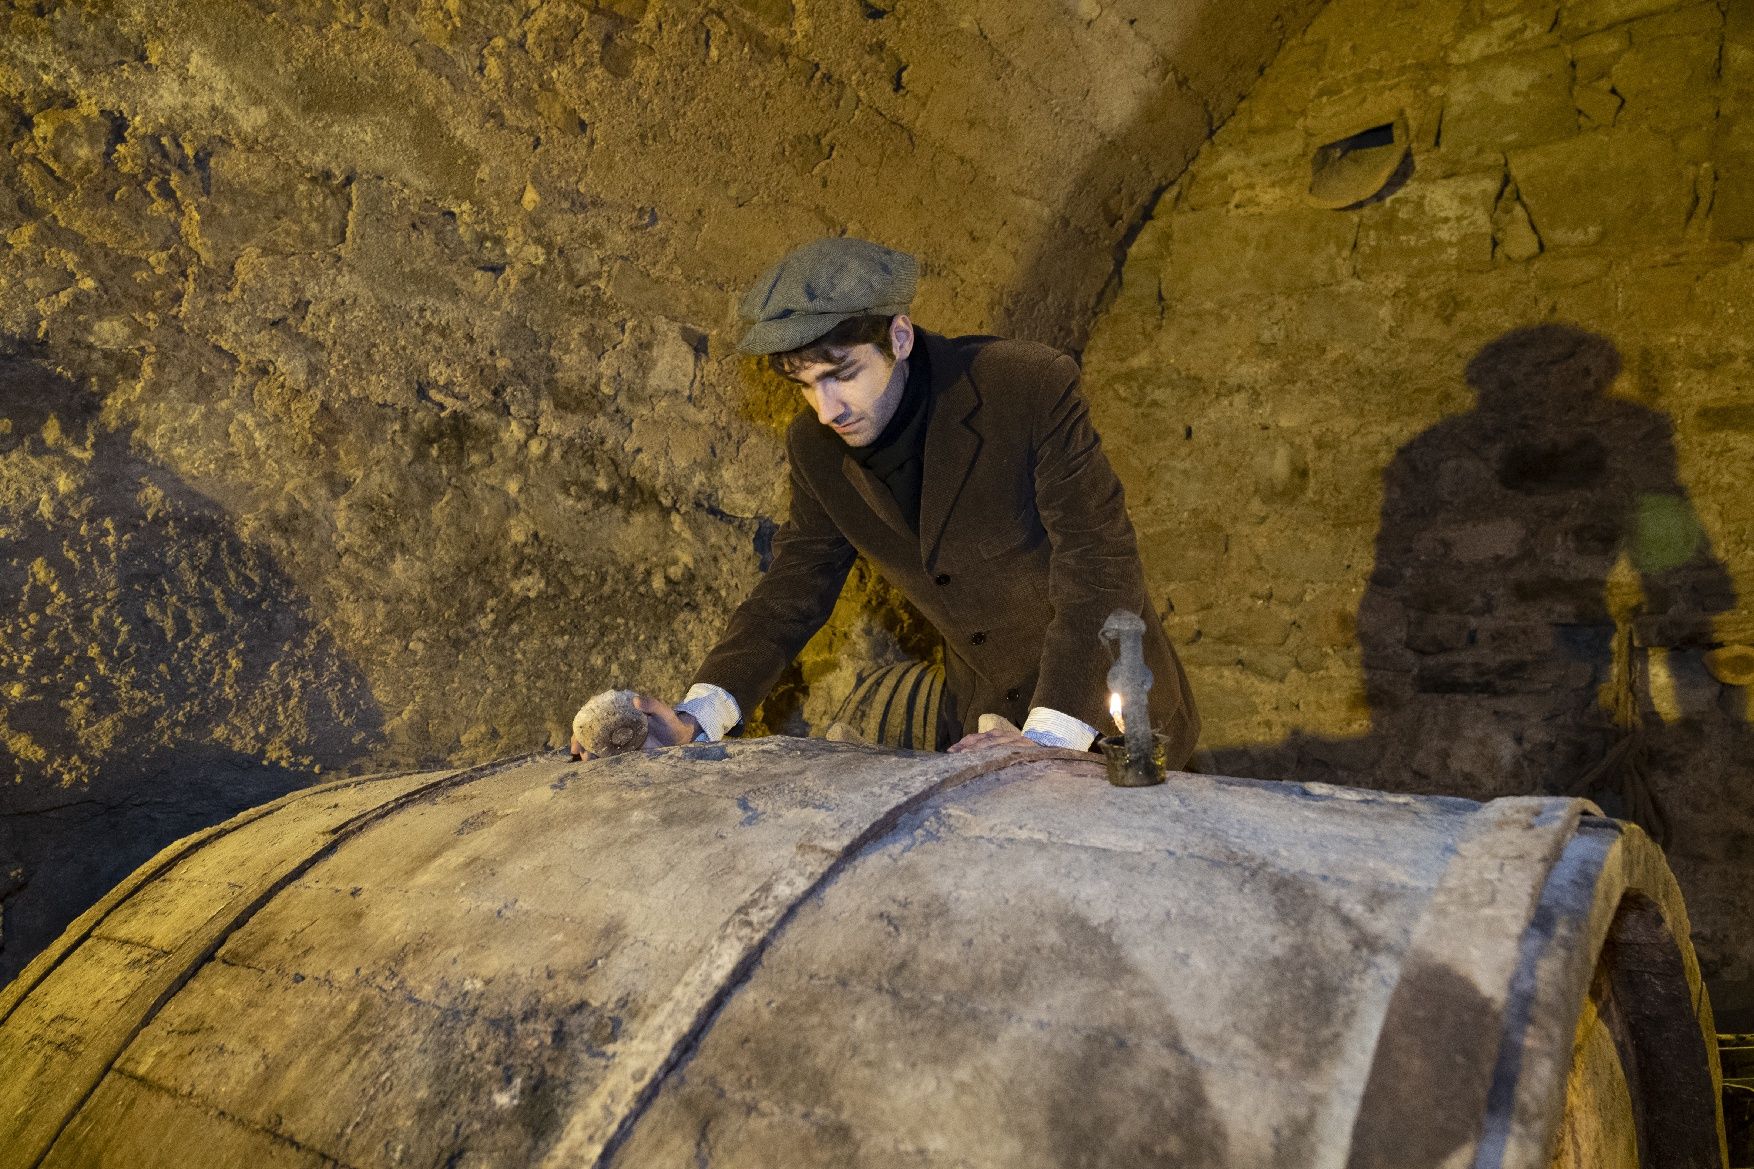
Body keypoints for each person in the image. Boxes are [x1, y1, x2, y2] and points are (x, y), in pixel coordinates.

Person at [572, 237, 1197, 761]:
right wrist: (697, 715)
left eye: (842, 375)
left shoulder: (1025, 387)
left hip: (1106, 713)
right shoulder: (816, 447)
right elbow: (795, 586)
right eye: (805, 385)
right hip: (981, 722)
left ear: (899, 337)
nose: (827, 410)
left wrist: (1049, 737)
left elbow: (1100, 563)